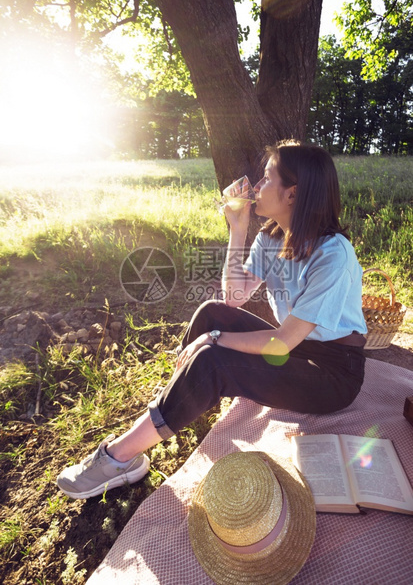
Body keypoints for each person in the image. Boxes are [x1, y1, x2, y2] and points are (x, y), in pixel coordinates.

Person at [57, 141, 367, 500]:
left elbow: (282, 341)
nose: (254, 188)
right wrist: (237, 229)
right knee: (210, 313)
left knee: (213, 357)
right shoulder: (271, 239)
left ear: (292, 194)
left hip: (332, 373)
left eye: (266, 179)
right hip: (297, 350)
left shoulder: (333, 255)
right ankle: (178, 400)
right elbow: (234, 298)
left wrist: (216, 339)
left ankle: (120, 459)